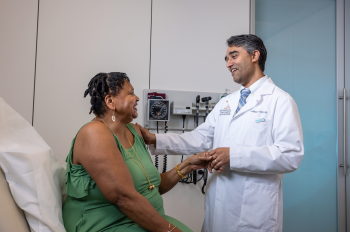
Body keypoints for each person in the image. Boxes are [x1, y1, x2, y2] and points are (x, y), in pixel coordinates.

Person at [136, 34, 304, 232]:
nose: (228, 63)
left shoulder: (280, 100)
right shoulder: (227, 102)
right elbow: (199, 138)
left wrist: (232, 155)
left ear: (254, 55)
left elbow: (290, 155)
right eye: (226, 58)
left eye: (233, 56)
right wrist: (155, 139)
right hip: (220, 204)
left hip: (255, 207)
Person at [62, 72, 213, 232]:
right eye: (131, 93)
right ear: (110, 101)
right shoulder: (94, 133)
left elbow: (151, 187)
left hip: (142, 221)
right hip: (106, 225)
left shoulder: (134, 131)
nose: (138, 98)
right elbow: (123, 198)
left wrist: (187, 165)